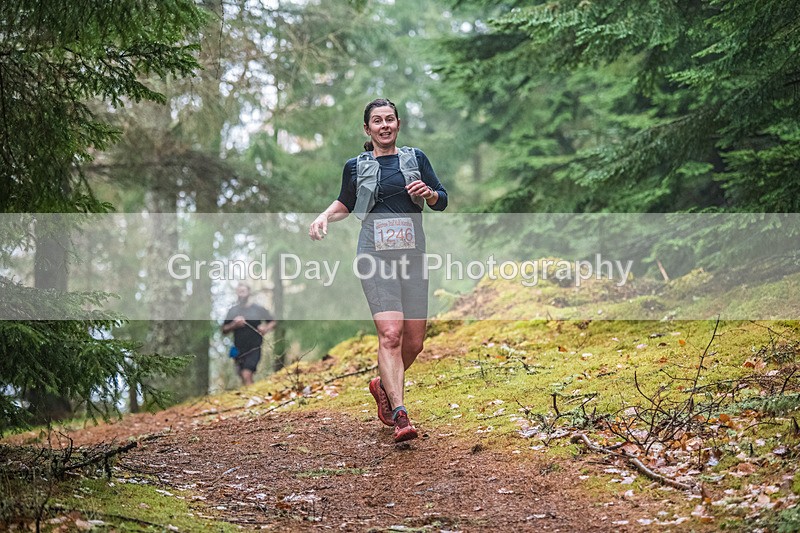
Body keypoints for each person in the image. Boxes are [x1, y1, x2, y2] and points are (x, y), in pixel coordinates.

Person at [309, 98, 448, 442]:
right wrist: (324, 216)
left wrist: (428, 193)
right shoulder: (356, 166)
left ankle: (382, 388)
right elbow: (345, 201)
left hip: (413, 258)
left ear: (398, 124)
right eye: (377, 121)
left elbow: (442, 199)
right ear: (367, 129)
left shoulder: (415, 159)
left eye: (389, 119)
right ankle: (400, 415)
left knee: (414, 343)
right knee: (390, 335)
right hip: (375, 257)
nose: (384, 125)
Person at [222, 283, 277, 386]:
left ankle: (252, 399)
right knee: (243, 376)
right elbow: (224, 329)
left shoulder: (258, 309)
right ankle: (250, 396)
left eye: (243, 291)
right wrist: (234, 324)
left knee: (246, 374)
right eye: (239, 292)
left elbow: (273, 322)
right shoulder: (233, 311)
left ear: (248, 293)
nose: (241, 294)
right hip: (238, 349)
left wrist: (265, 328)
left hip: (254, 347)